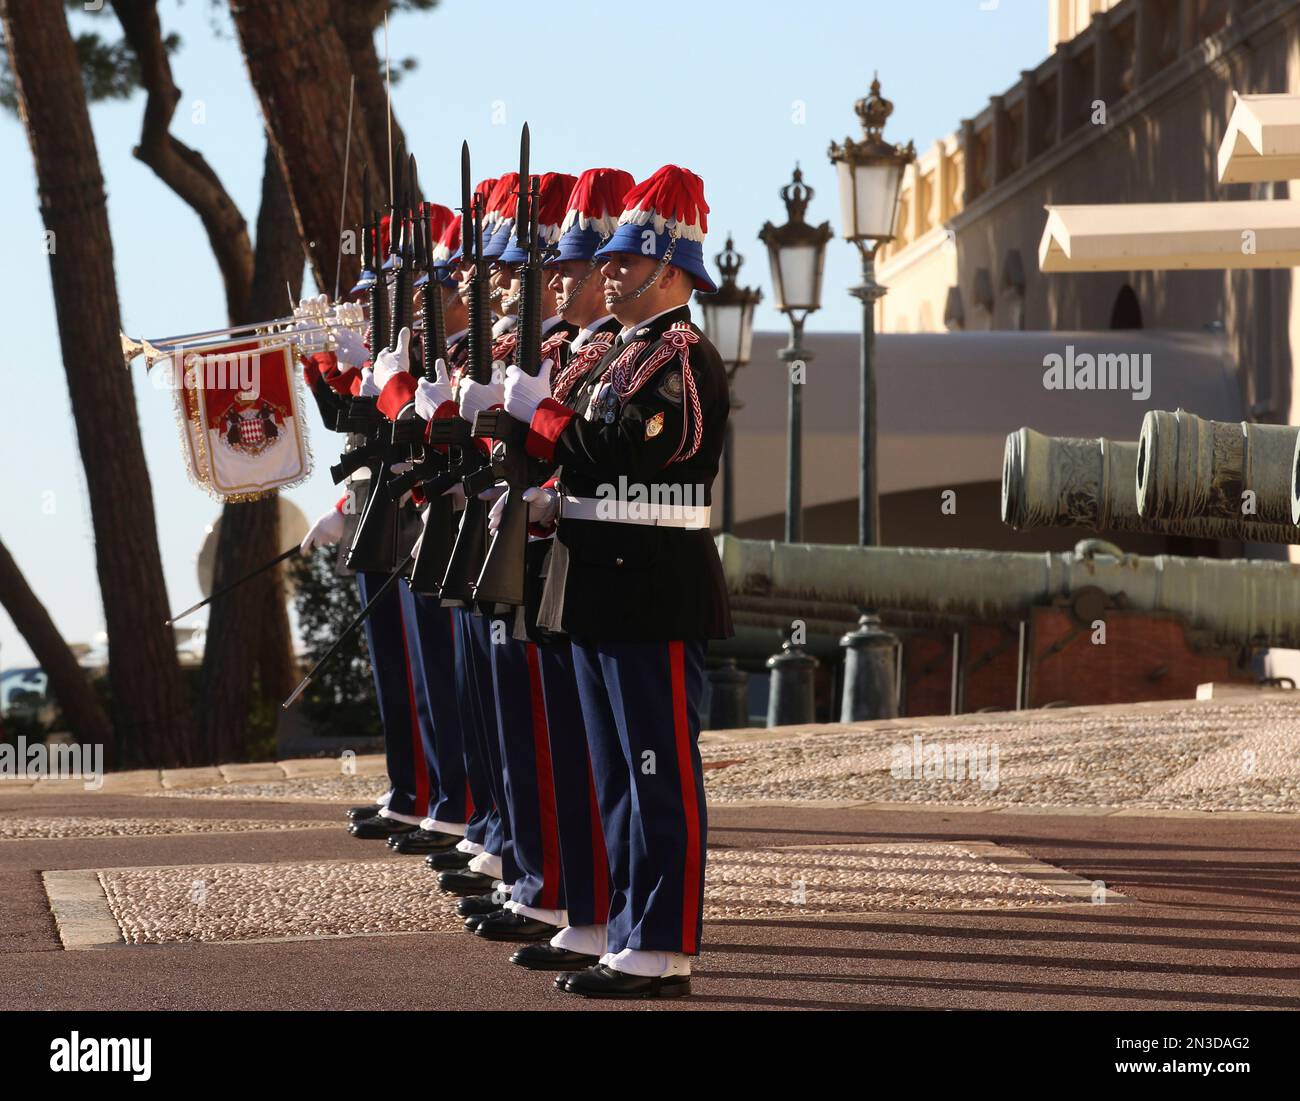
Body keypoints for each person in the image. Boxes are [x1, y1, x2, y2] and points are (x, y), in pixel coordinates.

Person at [503, 165, 732, 998]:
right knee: (612, 771)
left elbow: (637, 452)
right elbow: (576, 454)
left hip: (651, 584)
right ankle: (631, 926)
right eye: (613, 259)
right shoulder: (618, 358)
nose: (610, 270)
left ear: (672, 273)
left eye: (629, 261)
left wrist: (545, 418)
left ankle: (665, 940)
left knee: (655, 770)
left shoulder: (682, 357)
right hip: (598, 581)